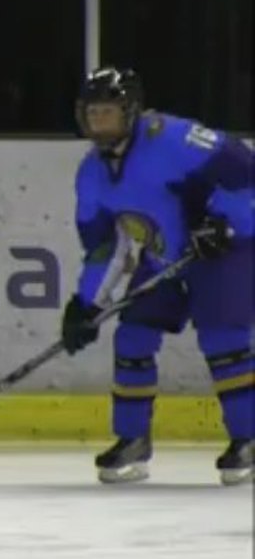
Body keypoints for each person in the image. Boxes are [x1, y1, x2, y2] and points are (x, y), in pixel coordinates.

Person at [62, 66, 253, 486]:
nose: (99, 123)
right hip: (165, 259)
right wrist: (86, 304)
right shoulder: (91, 174)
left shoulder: (173, 139)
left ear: (131, 111)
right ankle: (133, 440)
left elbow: (247, 174)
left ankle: (249, 438)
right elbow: (104, 248)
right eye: (92, 114)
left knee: (223, 338)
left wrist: (225, 222)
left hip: (226, 250)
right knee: (132, 337)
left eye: (107, 113)